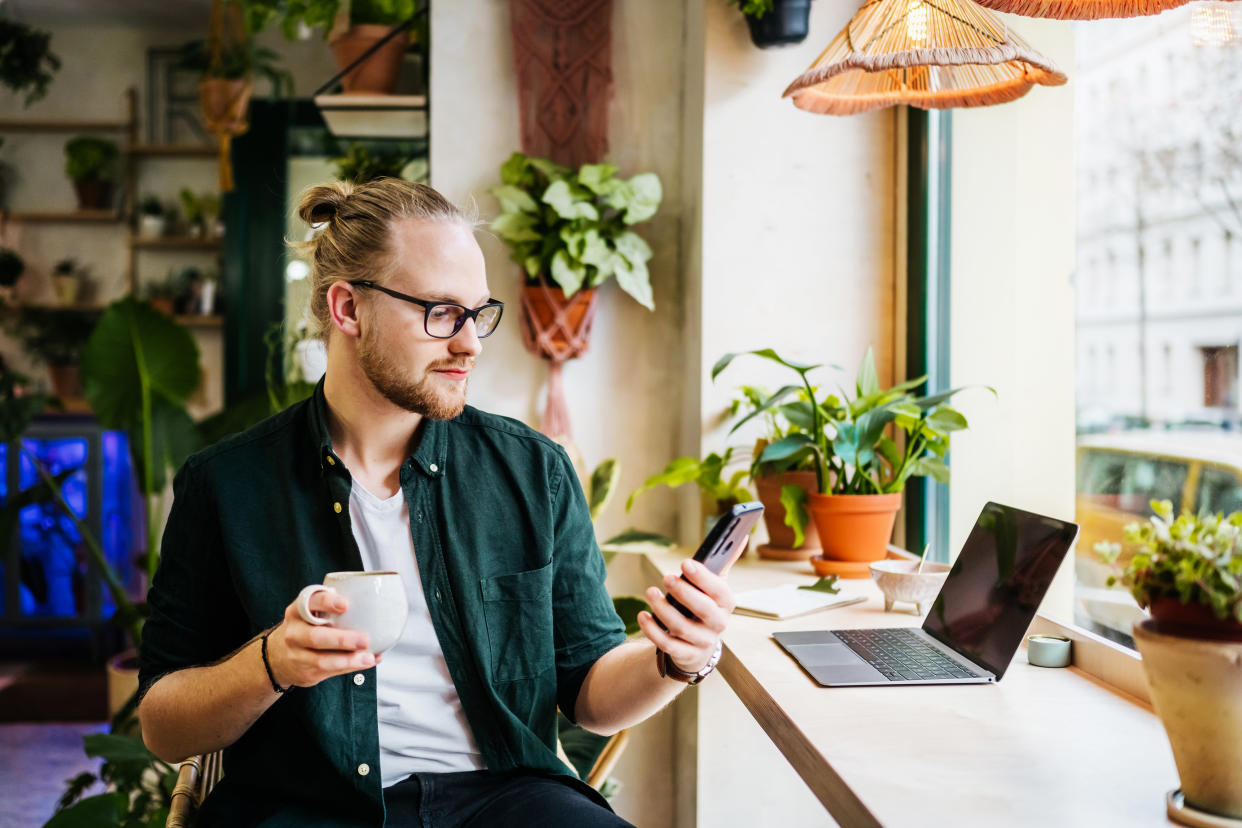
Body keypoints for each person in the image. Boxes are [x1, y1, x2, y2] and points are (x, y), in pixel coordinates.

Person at [137, 178, 737, 827]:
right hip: (305, 805)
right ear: (348, 309)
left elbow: (589, 694)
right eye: (440, 313)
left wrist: (677, 658)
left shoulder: (533, 472)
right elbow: (165, 729)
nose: (470, 343)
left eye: (477, 314)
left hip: (507, 799)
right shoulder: (226, 486)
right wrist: (272, 663)